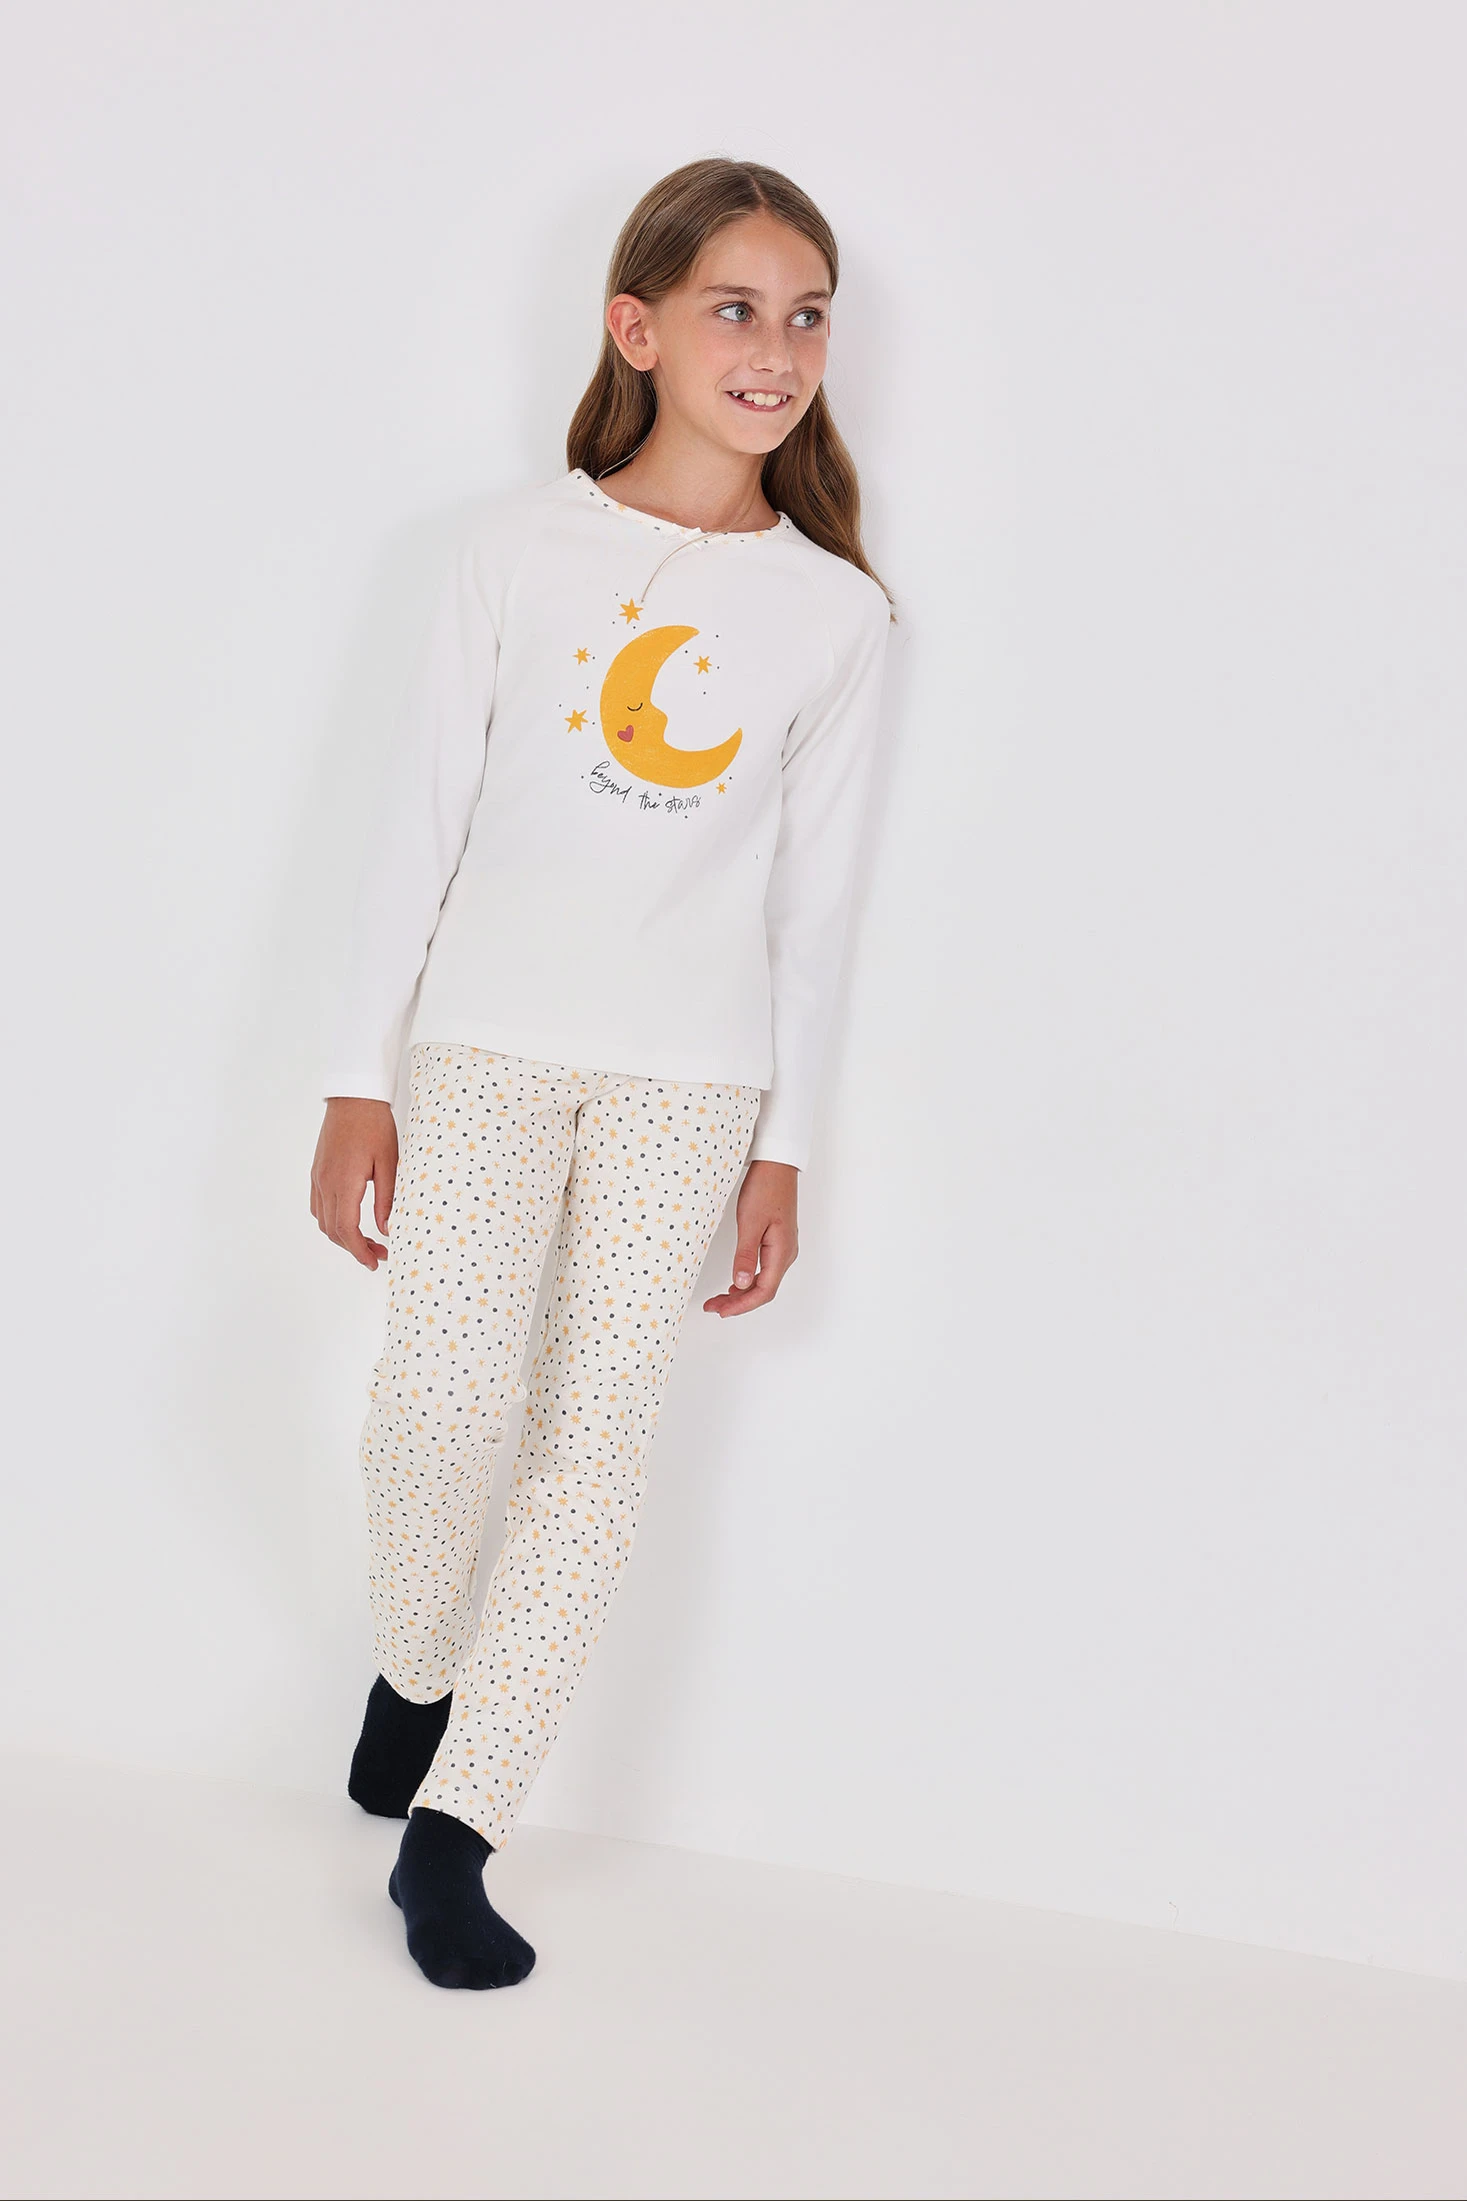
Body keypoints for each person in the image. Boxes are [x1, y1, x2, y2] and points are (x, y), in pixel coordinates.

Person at [310, 155, 894, 1991]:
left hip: (687, 1087)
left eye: (806, 317)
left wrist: (787, 1146)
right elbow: (413, 827)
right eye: (735, 309)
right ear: (636, 330)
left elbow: (816, 909)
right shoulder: (512, 551)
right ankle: (417, 1666)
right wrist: (353, 1079)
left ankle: (459, 1825)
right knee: (440, 1410)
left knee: (594, 1448)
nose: (776, 349)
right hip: (484, 1042)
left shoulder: (836, 616)